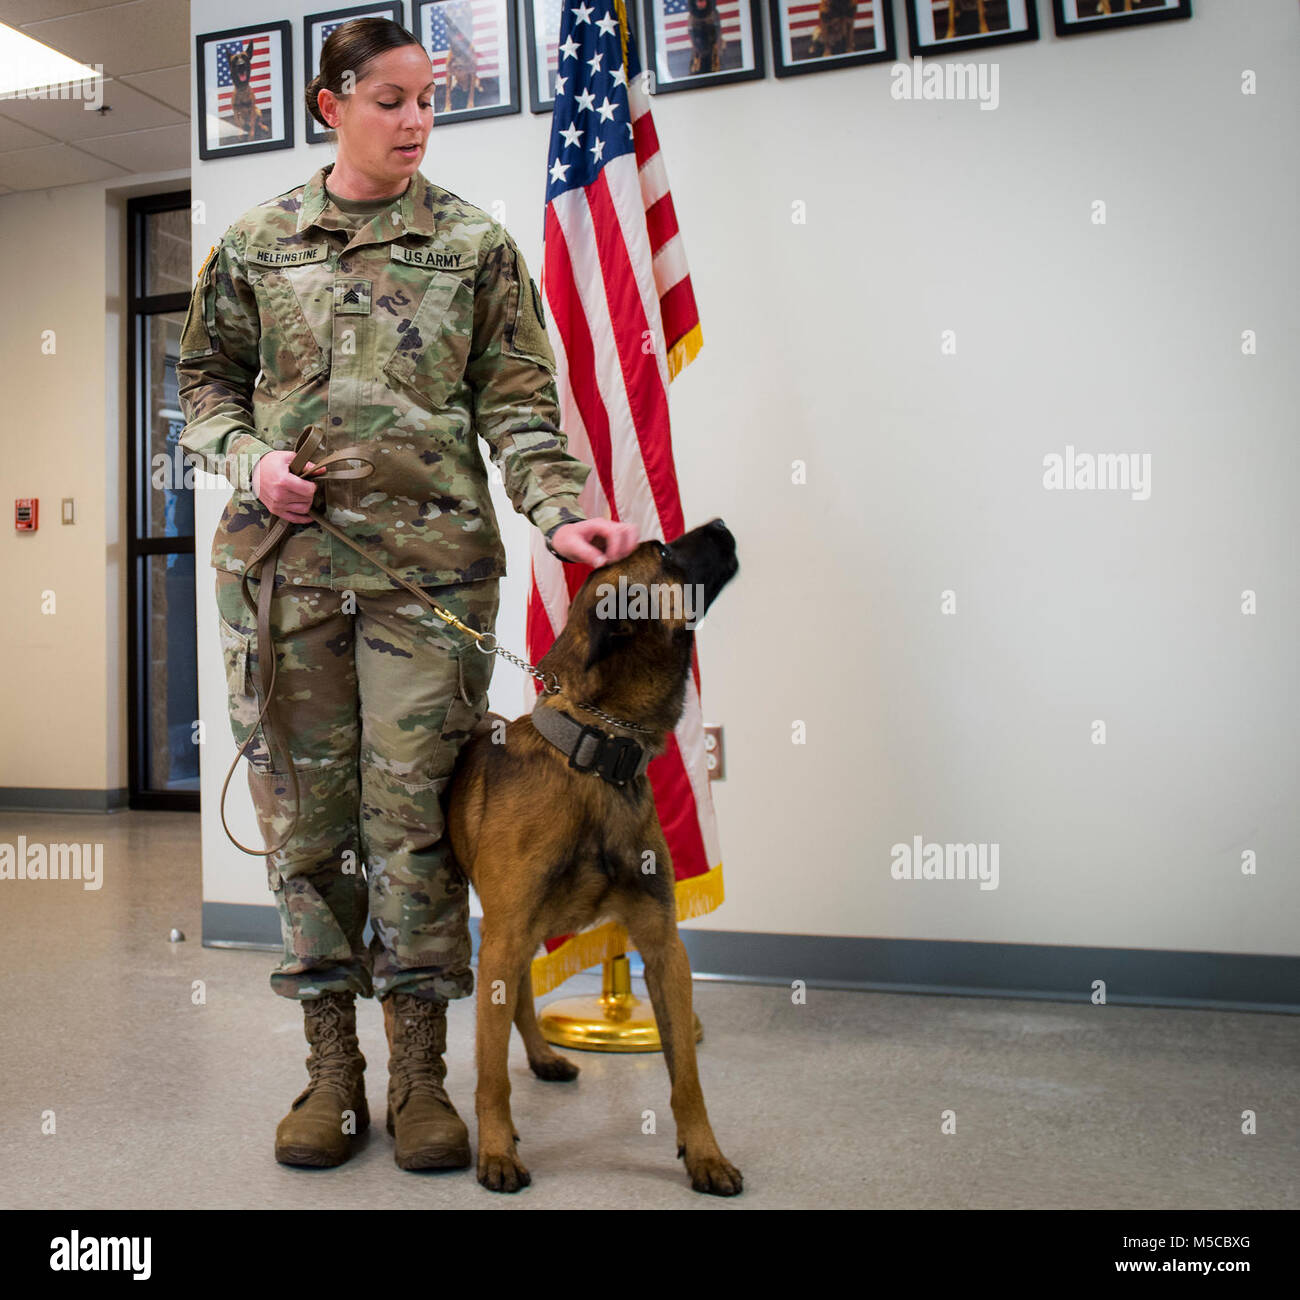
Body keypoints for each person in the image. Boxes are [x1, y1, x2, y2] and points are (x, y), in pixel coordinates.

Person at [176, 15, 639, 1171]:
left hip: (425, 592)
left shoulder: (473, 247)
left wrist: (556, 508)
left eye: (429, 98)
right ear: (331, 103)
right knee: (309, 833)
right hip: (282, 589)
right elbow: (202, 387)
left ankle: (424, 1077)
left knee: (418, 832)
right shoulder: (256, 243)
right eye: (391, 99)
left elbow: (520, 405)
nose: (417, 120)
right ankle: (333, 1074)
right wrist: (251, 461)